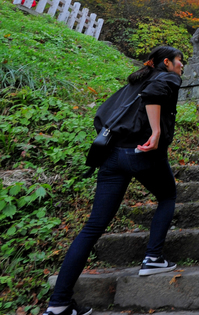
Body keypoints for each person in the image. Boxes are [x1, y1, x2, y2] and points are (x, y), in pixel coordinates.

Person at [43, 46, 185, 315]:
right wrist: (155, 133)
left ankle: (58, 304)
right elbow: (154, 96)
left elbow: (105, 112)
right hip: (141, 153)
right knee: (167, 196)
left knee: (92, 227)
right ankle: (153, 257)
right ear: (166, 62)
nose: (181, 67)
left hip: (111, 156)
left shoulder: (135, 80)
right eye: (179, 61)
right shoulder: (166, 77)